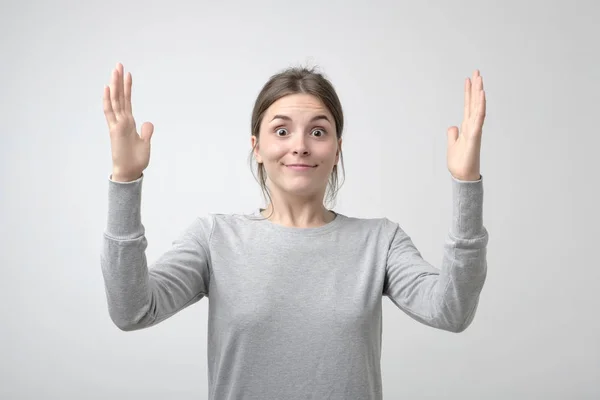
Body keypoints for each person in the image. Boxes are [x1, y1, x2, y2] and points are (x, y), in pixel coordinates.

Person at [100, 62, 488, 399]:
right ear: (257, 146)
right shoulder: (215, 238)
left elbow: (451, 311)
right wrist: (126, 179)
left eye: (318, 132)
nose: (300, 146)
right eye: (282, 131)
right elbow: (132, 310)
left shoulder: (380, 242)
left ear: (337, 149)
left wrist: (467, 182)